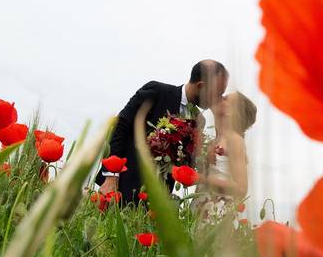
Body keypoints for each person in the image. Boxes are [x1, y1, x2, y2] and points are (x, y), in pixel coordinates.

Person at [95, 60, 228, 204]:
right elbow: (120, 127)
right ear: (201, 86)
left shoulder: (199, 120)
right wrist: (111, 177)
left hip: (158, 200)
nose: (219, 99)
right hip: (123, 186)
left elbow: (185, 161)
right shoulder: (157, 92)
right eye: (217, 93)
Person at [195, 91, 257, 221]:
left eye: (225, 98)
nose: (219, 97)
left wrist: (199, 178)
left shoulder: (235, 140)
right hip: (200, 209)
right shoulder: (213, 141)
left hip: (217, 214)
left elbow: (241, 188)